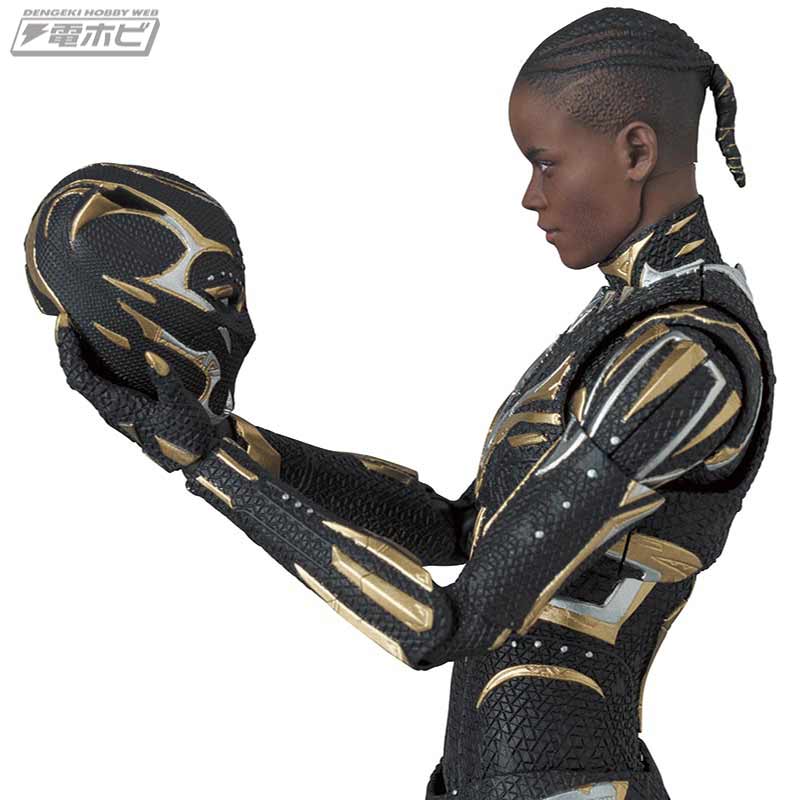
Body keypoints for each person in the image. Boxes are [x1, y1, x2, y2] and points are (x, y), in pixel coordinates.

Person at [28, 8, 774, 800]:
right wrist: (224, 436)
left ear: (635, 151)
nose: (530, 196)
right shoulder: (626, 319)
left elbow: (441, 625)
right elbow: (456, 528)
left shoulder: (688, 358)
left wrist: (210, 467)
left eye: (545, 163)